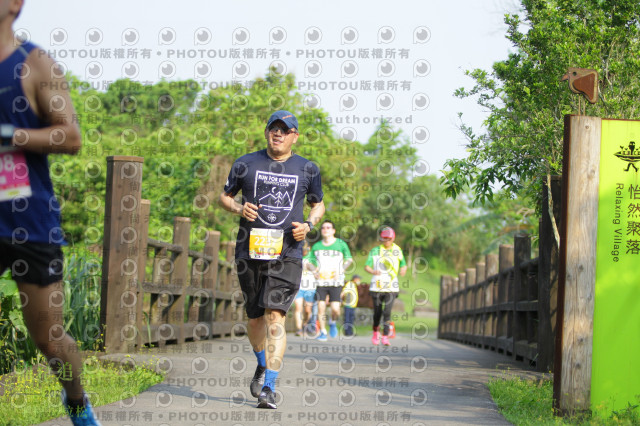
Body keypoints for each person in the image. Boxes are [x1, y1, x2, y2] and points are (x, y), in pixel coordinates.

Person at [0, 2, 100, 425]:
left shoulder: (35, 63)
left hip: (29, 222)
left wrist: (9, 135)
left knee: (50, 339)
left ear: (15, 5)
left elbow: (70, 135)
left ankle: (77, 404)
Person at [219, 110, 325, 409]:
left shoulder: (308, 169)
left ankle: (269, 387)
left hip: (288, 252)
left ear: (295, 136)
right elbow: (224, 197)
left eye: (284, 130)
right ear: (267, 132)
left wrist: (309, 225)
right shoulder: (245, 163)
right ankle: (262, 362)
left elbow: (318, 204)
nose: (278, 133)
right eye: (273, 128)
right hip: (250, 252)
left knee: (275, 316)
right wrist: (238, 208)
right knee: (255, 319)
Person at [309, 220, 352, 341]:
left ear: (333, 230)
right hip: (321, 282)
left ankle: (332, 322)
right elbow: (309, 262)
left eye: (328, 227)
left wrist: (341, 270)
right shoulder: (316, 246)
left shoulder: (341, 244)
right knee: (321, 307)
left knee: (335, 309)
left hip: (336, 282)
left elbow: (349, 259)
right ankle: (323, 331)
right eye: (323, 228)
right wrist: (314, 271)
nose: (325, 230)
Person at [365, 226, 407, 346]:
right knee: (377, 312)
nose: (387, 241)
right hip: (377, 286)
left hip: (391, 287)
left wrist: (403, 269)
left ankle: (385, 335)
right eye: (384, 238)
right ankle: (375, 332)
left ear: (393, 238)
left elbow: (403, 264)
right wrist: (373, 271)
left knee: (387, 312)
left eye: (389, 238)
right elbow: (367, 266)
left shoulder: (397, 250)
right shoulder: (375, 251)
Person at [293, 241, 317, 336]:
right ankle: (299, 329)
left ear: (309, 248)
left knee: (307, 310)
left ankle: (305, 324)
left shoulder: (312, 257)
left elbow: (317, 270)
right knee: (298, 307)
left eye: (305, 249)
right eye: (302, 249)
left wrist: (310, 266)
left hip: (310, 286)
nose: (304, 251)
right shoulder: (296, 256)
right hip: (298, 286)